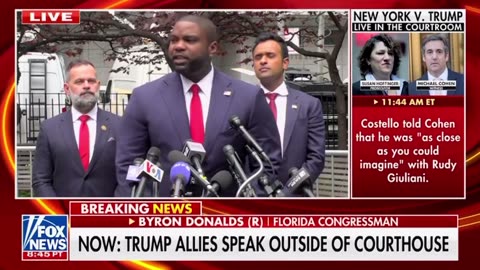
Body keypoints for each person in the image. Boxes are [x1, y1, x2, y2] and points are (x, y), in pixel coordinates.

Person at [115, 15, 282, 197]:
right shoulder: (144, 97)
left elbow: (268, 161)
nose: (178, 46)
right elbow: (129, 163)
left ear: (212, 48)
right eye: (173, 40)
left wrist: (246, 204)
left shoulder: (248, 97)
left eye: (189, 40)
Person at [32, 60, 120, 197]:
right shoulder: (49, 129)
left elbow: (126, 176)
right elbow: (41, 180)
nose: (86, 86)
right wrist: (58, 212)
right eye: (79, 82)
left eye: (91, 81)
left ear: (97, 86)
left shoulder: (119, 125)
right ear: (67, 89)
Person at [252, 32, 325, 193]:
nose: (263, 61)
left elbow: (316, 158)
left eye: (270, 55)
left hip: (295, 196)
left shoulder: (309, 105)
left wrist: (288, 191)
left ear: (285, 63)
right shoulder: (243, 102)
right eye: (258, 57)